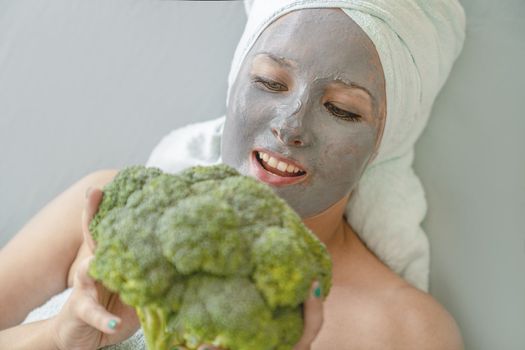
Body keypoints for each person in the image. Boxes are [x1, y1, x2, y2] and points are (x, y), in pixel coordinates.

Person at [0, 0, 466, 349]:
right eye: (270, 82)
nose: (290, 125)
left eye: (341, 109)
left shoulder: (406, 330)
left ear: (386, 140)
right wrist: (59, 337)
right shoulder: (104, 212)